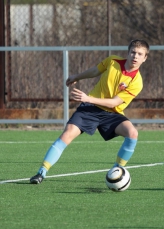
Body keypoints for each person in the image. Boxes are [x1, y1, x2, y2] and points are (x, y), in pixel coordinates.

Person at [30, 39, 150, 184]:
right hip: (90, 109)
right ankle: (41, 172)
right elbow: (95, 70)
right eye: (133, 52)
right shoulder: (113, 61)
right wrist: (77, 77)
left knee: (132, 134)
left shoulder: (137, 82)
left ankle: (117, 171)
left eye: (139, 54)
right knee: (67, 134)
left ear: (145, 58)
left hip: (111, 113)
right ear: (128, 52)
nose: (135, 56)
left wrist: (88, 98)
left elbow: (114, 102)